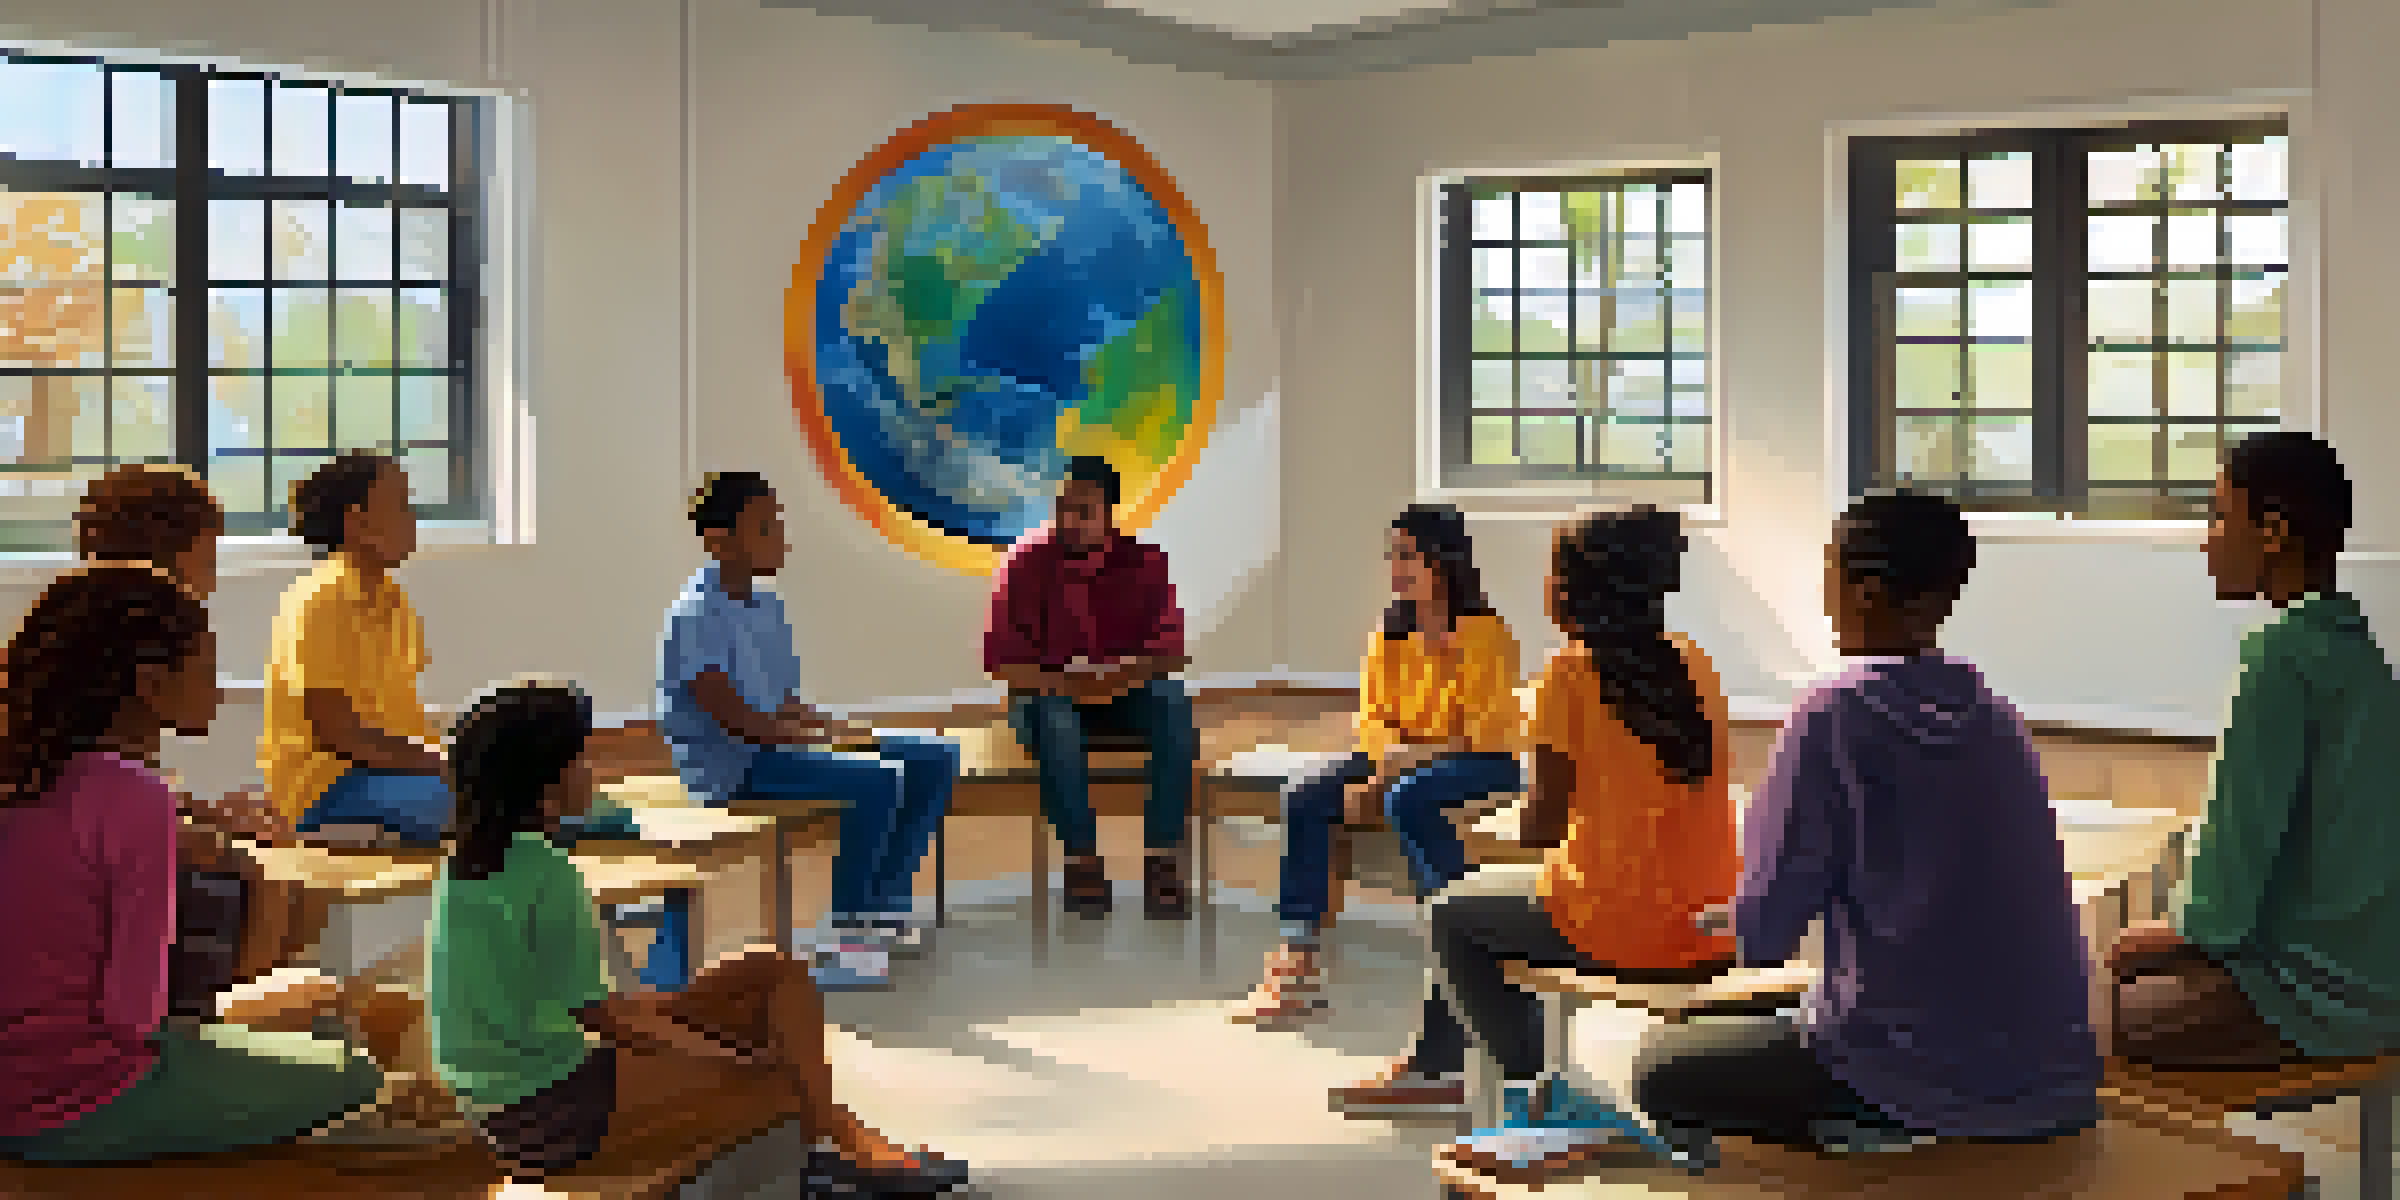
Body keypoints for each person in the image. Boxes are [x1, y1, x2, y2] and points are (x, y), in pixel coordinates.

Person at [1631, 490, 2101, 1171]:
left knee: (1660, 1065)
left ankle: (1864, 1130)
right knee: (1770, 1016)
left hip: (1916, 1076)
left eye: (1829, 577)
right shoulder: (1995, 714)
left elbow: (1765, 933)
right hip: (2052, 1076)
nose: (1824, 600)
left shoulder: (1833, 712)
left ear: (1868, 592)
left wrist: (1727, 922)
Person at [427, 678, 969, 1194]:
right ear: (546, 789)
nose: (593, 772)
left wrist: (691, 1024)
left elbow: (566, 1006)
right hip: (550, 1116)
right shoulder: (546, 873)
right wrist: (727, 1055)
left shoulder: (467, 863)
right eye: (582, 760)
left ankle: (833, 1145)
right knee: (778, 1072)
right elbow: (606, 1018)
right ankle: (844, 1146)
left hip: (504, 1100)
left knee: (771, 971)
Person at [1332, 508, 1737, 1176]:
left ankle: (1534, 1089)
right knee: (1484, 900)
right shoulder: (1695, 662)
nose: (1547, 585)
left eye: (1555, 571)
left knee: (1451, 915)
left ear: (1573, 591)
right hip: (1712, 922)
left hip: (1621, 924)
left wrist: (1501, 826)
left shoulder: (1567, 676)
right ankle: (1509, 1083)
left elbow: (1543, 826)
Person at [0, 566, 385, 1163]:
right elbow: (133, 1017)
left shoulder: (21, 778)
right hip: (85, 1100)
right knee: (353, 1069)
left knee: (305, 1016)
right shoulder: (135, 798)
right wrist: (249, 1011)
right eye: (207, 668)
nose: (219, 689)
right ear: (151, 684)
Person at [2108, 432, 2400, 1067]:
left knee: (2081, 1017)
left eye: (2218, 513)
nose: (2208, 536)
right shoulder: (2362, 654)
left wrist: (2168, 934)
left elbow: (2225, 888)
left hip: (2310, 997)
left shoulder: (2277, 654)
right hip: (2379, 984)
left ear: (2271, 532)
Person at [654, 471, 958, 991]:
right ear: (720, 539)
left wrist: (836, 728)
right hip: (733, 767)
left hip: (777, 748)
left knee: (934, 755)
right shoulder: (696, 615)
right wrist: (819, 740)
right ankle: (849, 943)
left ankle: (881, 913)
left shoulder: (768, 607)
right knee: (879, 779)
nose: (781, 537)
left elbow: (786, 703)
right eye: (765, 527)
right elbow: (737, 722)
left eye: (778, 523)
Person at [1233, 503, 1524, 1025]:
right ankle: (1297, 963)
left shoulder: (1486, 634)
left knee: (1406, 796)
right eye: (1393, 555)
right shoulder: (1388, 635)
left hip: (1479, 761)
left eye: (1407, 556)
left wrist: (1401, 763)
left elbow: (1487, 730)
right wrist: (1384, 764)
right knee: (1303, 797)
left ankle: (1468, 936)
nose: (1395, 568)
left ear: (1443, 562)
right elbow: (1372, 718)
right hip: (1396, 758)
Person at [985, 456, 1199, 919]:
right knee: (1056, 716)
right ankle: (1081, 860)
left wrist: (1121, 675)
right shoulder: (1024, 562)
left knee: (1173, 704)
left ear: (1110, 512)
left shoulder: (1146, 561)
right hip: (1048, 698)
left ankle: (1162, 859)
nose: (1070, 520)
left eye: (1083, 510)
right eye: (1062, 508)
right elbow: (1002, 662)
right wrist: (1065, 682)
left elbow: (1174, 652)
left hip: (1123, 695)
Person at [259, 452, 454, 846]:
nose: (413, 518)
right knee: (488, 806)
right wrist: (450, 765)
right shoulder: (321, 600)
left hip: (394, 776)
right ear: (357, 521)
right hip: (327, 788)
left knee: (525, 795)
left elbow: (399, 720)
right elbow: (341, 735)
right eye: (401, 505)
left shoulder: (393, 600)